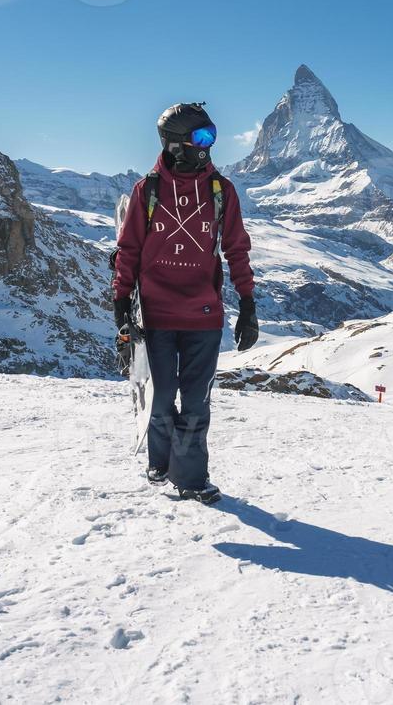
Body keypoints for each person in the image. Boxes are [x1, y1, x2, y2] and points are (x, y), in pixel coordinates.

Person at [112, 102, 258, 504]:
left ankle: (191, 478)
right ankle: (160, 463)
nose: (208, 147)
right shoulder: (148, 191)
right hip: (155, 317)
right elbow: (128, 250)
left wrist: (248, 303)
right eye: (201, 138)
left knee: (196, 403)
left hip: (203, 316)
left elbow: (236, 249)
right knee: (160, 398)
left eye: (211, 137)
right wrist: (121, 304)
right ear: (176, 144)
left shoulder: (221, 191)